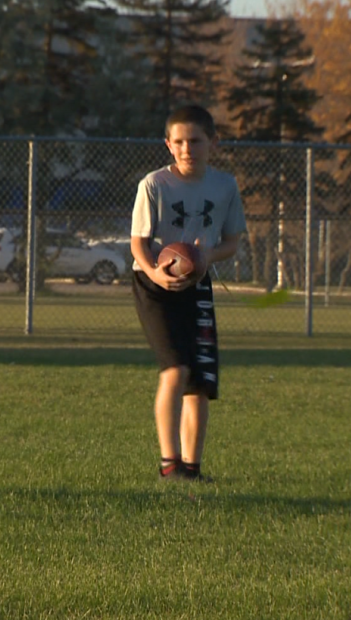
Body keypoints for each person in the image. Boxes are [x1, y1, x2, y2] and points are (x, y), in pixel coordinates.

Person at [130, 104, 246, 482]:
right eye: (178, 141)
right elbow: (138, 243)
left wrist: (208, 255)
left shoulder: (225, 185)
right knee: (175, 369)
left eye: (195, 140)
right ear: (168, 144)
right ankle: (169, 464)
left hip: (197, 284)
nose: (186, 148)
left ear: (213, 142)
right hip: (155, 287)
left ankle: (192, 469)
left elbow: (231, 241)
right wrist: (156, 274)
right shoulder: (154, 184)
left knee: (199, 381)